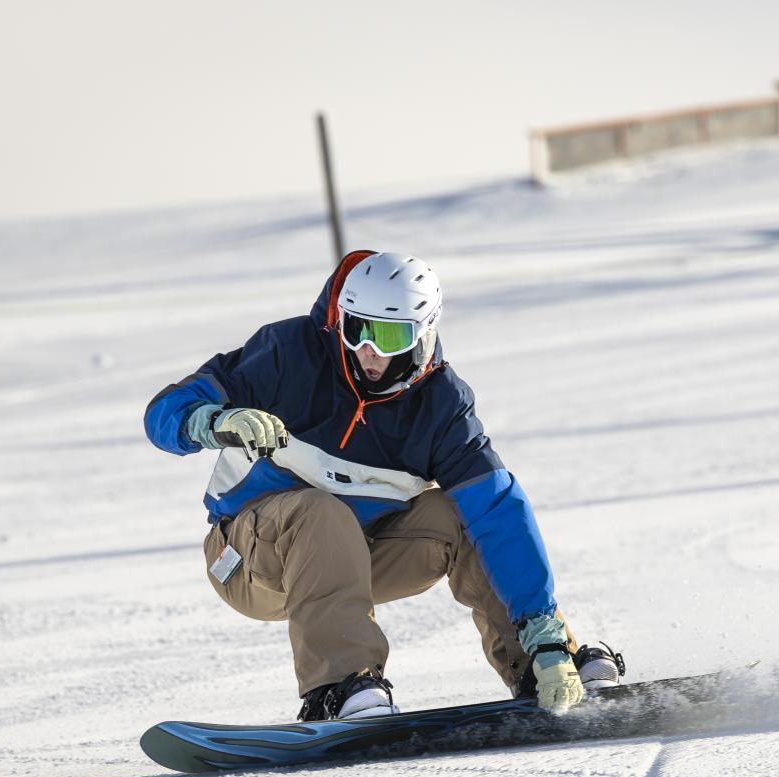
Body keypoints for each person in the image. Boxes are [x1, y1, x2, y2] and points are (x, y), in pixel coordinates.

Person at [144, 250, 623, 721]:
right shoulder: (289, 354)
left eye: (389, 335)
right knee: (319, 511)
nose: (367, 351)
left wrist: (544, 631)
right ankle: (340, 686)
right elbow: (164, 412)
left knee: (461, 515)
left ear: (423, 333)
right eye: (357, 329)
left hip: (354, 557)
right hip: (249, 561)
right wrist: (211, 421)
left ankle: (542, 663)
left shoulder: (441, 407)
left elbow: (497, 511)